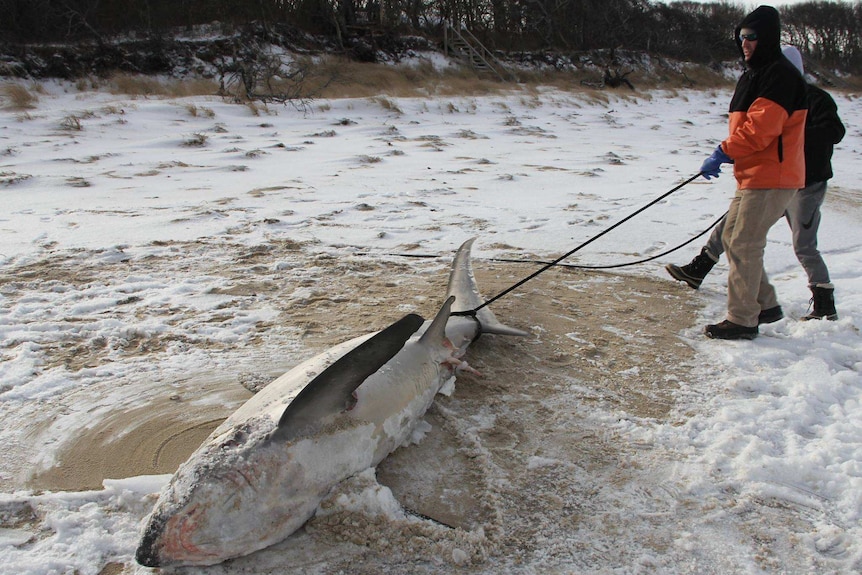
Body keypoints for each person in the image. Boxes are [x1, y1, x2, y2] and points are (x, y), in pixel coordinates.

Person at [666, 45, 845, 324]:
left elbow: (834, 131)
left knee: (803, 245)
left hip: (806, 184)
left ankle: (824, 303)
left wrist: (789, 135)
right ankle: (700, 268)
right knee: (733, 227)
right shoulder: (766, 93)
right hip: (770, 178)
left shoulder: (815, 98)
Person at [687, 5, 808, 340]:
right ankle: (764, 305)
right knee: (731, 238)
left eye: (752, 37)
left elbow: (760, 130)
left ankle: (742, 319)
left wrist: (724, 151)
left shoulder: (779, 75)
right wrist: (728, 154)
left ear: (767, 38)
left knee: (744, 243)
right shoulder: (757, 72)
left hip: (773, 176)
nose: (745, 43)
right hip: (755, 173)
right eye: (741, 37)